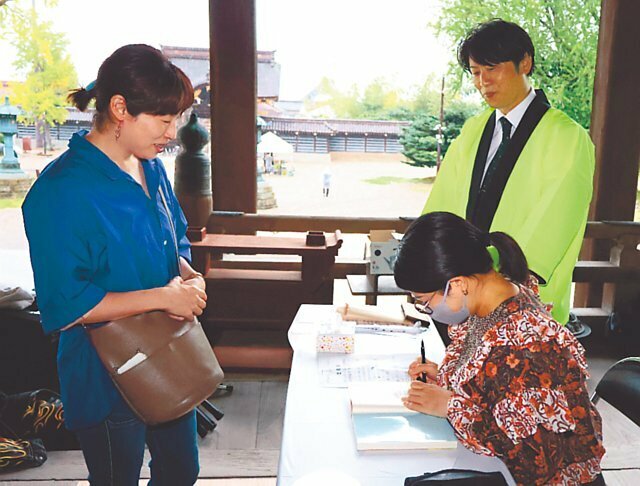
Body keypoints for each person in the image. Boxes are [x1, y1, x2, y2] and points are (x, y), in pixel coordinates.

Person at [22, 44, 206, 485]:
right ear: (120, 108)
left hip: (168, 355)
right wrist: (165, 296)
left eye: (176, 119)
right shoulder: (60, 191)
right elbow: (67, 304)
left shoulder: (152, 168)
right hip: (106, 373)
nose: (172, 133)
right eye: (164, 120)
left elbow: (174, 239)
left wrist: (187, 275)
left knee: (182, 471)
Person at [394, 212, 605, 486]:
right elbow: (499, 386)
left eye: (424, 301)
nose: (428, 310)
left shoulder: (526, 343)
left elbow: (536, 458)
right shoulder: (494, 299)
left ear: (457, 284)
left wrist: (451, 406)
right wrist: (448, 378)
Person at [422, 19, 594, 329]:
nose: (482, 81)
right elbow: (443, 202)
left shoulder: (567, 136)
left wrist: (487, 273)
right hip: (466, 294)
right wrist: (427, 251)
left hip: (523, 299)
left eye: (492, 68)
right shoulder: (474, 130)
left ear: (524, 62)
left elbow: (554, 223)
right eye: (475, 72)